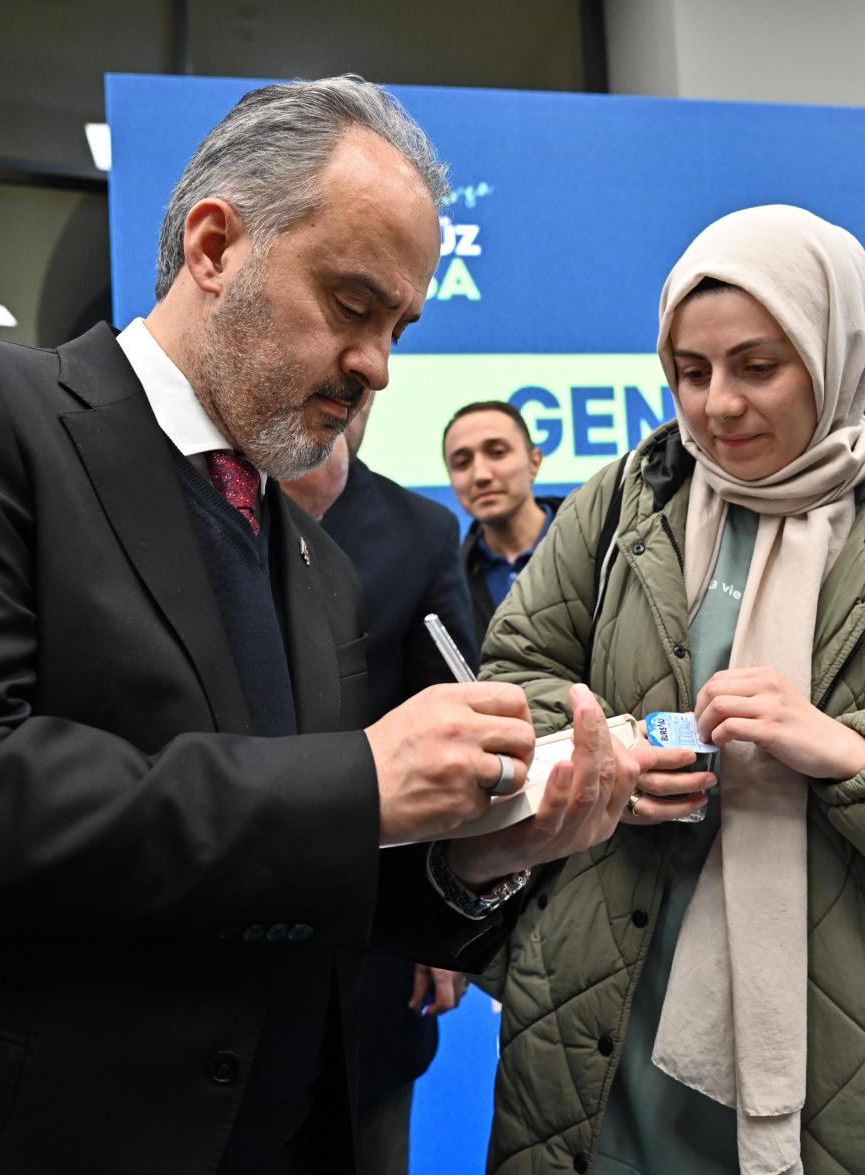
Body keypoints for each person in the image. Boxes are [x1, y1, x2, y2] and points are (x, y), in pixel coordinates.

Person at [0, 76, 650, 1175]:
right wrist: (360, 780)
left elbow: (292, 862)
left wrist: (473, 859)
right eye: (352, 305)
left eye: (398, 327)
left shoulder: (314, 562)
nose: (376, 365)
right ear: (215, 246)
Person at [476, 205, 865, 1175]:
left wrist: (854, 753)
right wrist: (603, 751)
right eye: (690, 371)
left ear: (833, 355)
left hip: (846, 1066)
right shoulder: (620, 504)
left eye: (757, 366)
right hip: (597, 1036)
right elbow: (512, 683)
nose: (717, 405)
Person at [284, 397, 478, 1175]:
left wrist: (439, 926)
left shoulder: (420, 530)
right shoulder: (199, 503)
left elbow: (452, 728)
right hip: (216, 931)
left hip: (372, 933)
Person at [443, 400, 563, 650]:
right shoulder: (448, 583)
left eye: (497, 453)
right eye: (462, 463)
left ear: (534, 462)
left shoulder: (596, 549)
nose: (481, 475)